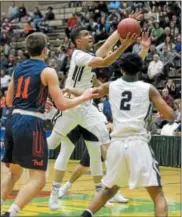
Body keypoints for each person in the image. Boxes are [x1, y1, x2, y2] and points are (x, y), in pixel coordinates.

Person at [47, 13, 143, 210]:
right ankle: (55, 191)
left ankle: (107, 189)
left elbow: (104, 48)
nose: (90, 35)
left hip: (87, 107)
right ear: (77, 40)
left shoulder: (88, 54)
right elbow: (104, 61)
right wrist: (124, 45)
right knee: (53, 144)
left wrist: (120, 30)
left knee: (104, 142)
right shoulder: (78, 55)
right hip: (72, 104)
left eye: (90, 33)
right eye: (85, 34)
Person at [0, 32, 97, 217]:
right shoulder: (48, 71)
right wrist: (84, 96)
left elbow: (10, 100)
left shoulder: (18, 69)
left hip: (12, 121)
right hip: (30, 123)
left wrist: (39, 101)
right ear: (45, 50)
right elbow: (62, 104)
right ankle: (10, 213)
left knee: (14, 174)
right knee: (38, 179)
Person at [80, 53, 174, 217]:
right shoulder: (148, 89)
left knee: (108, 190)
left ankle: (86, 215)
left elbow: (90, 93)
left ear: (121, 69)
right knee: (157, 194)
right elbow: (170, 116)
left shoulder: (111, 86)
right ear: (140, 70)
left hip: (116, 145)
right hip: (137, 142)